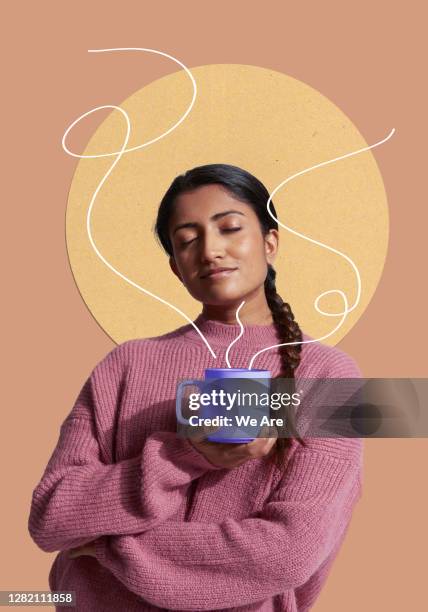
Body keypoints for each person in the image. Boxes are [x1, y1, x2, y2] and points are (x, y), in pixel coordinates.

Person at [28, 163, 363, 611]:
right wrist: (184, 455)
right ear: (175, 267)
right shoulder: (124, 365)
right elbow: (51, 517)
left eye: (229, 228)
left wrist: (109, 547)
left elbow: (289, 552)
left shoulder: (332, 378)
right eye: (187, 240)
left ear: (270, 241)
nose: (210, 250)